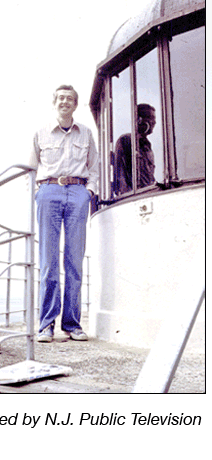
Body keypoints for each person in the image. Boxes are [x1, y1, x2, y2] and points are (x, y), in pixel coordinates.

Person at [28, 85, 99, 342]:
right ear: (54, 102)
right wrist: (37, 195)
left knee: (74, 260)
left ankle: (72, 324)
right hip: (49, 192)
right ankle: (46, 325)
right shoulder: (41, 133)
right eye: (61, 98)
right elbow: (29, 169)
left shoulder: (86, 133)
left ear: (75, 104)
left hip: (78, 193)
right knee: (48, 261)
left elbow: (95, 167)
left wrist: (88, 192)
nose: (65, 102)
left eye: (69, 98)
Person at [114, 103, 156, 195]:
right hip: (134, 197)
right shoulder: (126, 141)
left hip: (148, 194)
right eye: (151, 118)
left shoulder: (148, 146)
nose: (154, 122)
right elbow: (121, 176)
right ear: (140, 120)